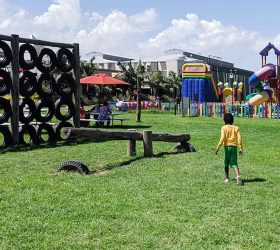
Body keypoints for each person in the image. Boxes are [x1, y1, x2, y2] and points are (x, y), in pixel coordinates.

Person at [215, 113, 243, 185]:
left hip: (227, 147)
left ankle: (227, 178)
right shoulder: (236, 128)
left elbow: (222, 138)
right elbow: (239, 139)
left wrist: (218, 147)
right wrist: (241, 148)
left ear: (224, 120)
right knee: (234, 162)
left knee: (226, 163)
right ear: (232, 120)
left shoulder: (223, 128)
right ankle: (238, 175)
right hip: (234, 147)